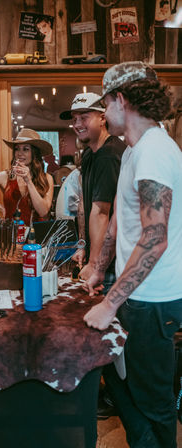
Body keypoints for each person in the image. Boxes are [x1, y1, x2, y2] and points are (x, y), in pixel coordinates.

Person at [82, 61, 182, 448]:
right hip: (135, 296)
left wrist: (109, 303)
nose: (105, 115)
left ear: (121, 100)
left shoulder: (155, 151)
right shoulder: (132, 153)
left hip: (152, 301)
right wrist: (96, 268)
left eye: (105, 104)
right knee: (121, 383)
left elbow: (154, 239)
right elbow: (120, 225)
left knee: (153, 404)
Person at [60, 92, 126, 293]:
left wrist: (96, 264)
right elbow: (83, 204)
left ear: (103, 118)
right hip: (97, 255)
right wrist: (83, 245)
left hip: (113, 262)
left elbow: (102, 212)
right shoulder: (90, 153)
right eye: (74, 119)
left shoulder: (110, 154)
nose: (77, 124)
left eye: (84, 117)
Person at [0, 128, 54, 226]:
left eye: (25, 149)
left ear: (35, 153)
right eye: (17, 149)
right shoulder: (5, 176)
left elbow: (43, 212)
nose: (19, 153)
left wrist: (28, 181)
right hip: (12, 237)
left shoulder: (46, 178)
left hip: (37, 237)